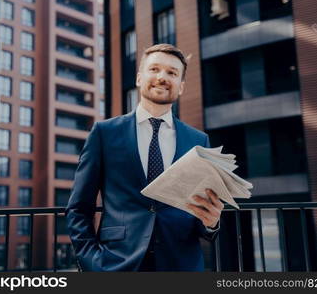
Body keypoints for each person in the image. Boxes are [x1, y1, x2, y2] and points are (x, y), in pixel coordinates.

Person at [65, 43, 224, 272]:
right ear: (139, 78)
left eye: (172, 73)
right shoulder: (104, 133)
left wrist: (211, 223)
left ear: (181, 87)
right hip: (117, 264)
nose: (162, 77)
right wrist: (92, 261)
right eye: (155, 69)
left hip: (181, 266)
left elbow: (201, 211)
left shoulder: (199, 141)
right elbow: (79, 207)